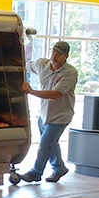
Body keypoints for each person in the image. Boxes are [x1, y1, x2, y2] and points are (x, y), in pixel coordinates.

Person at [21, 41, 78, 183]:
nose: (54, 56)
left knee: (45, 144)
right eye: (53, 52)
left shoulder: (70, 72)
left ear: (66, 56)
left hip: (61, 115)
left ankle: (36, 172)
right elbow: (25, 67)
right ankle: (59, 167)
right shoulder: (42, 64)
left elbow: (55, 94)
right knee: (51, 143)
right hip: (44, 113)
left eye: (59, 54)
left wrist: (31, 91)